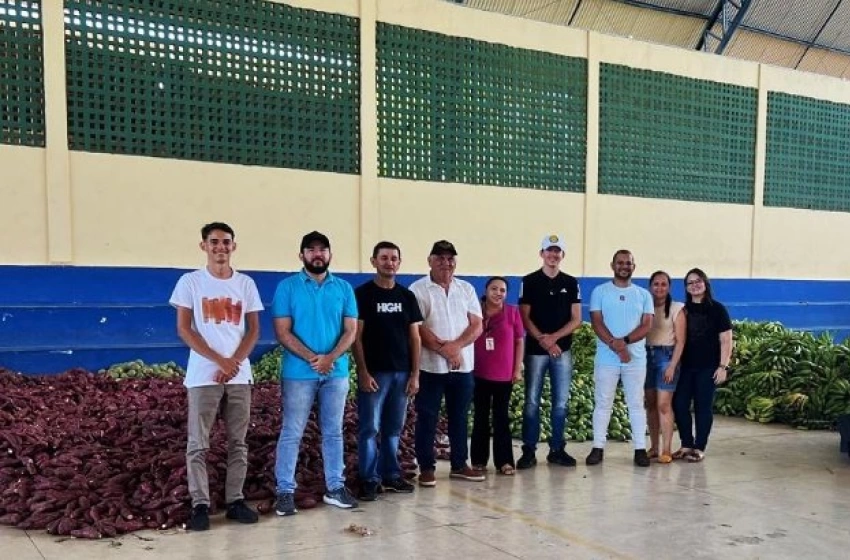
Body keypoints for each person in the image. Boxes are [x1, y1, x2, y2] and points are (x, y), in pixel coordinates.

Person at [169, 221, 264, 531]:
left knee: (238, 442)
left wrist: (233, 362)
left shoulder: (245, 284)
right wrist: (219, 361)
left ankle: (235, 500)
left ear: (233, 246)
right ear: (204, 246)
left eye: (226, 242)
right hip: (203, 375)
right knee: (198, 443)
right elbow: (184, 329)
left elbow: (254, 330)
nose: (220, 247)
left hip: (238, 376)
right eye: (214, 242)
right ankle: (200, 504)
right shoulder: (190, 282)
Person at [271, 231, 359, 515]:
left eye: (322, 249)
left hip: (336, 372)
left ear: (330, 254)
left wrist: (330, 358)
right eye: (311, 250)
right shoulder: (287, 287)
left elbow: (351, 330)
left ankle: (335, 488)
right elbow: (282, 332)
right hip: (299, 374)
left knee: (333, 432)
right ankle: (285, 492)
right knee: (292, 431)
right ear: (302, 255)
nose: (317, 254)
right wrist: (313, 359)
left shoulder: (344, 288)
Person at [410, 240, 484, 487]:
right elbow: (417, 327)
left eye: (450, 258)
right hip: (430, 367)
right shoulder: (417, 289)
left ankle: (460, 464)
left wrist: (456, 347)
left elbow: (476, 324)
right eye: (440, 258)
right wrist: (445, 350)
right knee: (427, 417)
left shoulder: (466, 289)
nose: (446, 263)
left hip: (463, 367)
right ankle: (426, 468)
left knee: (460, 417)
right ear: (430, 261)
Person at [353, 241, 423, 501]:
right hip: (375, 374)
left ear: (399, 263)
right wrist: (363, 371)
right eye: (384, 258)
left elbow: (415, 337)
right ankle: (369, 479)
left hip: (402, 374)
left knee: (394, 428)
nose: (389, 262)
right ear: (374, 261)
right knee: (369, 428)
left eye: (394, 258)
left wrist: (415, 374)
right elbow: (356, 337)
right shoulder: (362, 295)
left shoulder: (407, 296)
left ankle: (391, 475)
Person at [516, 234, 583, 469]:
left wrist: (554, 339)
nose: (553, 255)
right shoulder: (529, 281)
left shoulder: (571, 282)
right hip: (535, 352)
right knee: (531, 402)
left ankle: (557, 450)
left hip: (562, 351)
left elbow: (576, 319)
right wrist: (543, 341)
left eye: (557, 251)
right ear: (541, 253)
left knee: (561, 403)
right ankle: (529, 451)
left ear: (562, 255)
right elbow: (524, 317)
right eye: (549, 250)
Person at [586, 249, 654, 467]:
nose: (624, 266)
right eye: (620, 262)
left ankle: (640, 449)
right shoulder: (600, 291)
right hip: (606, 359)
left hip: (636, 360)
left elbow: (647, 325)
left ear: (634, 267)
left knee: (636, 403)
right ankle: (597, 447)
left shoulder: (643, 295)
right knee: (603, 403)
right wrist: (615, 346)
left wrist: (624, 342)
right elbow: (596, 322)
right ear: (612, 265)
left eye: (628, 263)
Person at [672, 268, 733, 463]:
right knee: (679, 404)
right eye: (690, 283)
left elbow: (726, 339)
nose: (694, 285)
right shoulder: (683, 310)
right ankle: (686, 444)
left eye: (698, 281)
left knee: (702, 407)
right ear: (686, 288)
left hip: (708, 367)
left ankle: (699, 447)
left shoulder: (718, 309)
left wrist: (723, 366)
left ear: (705, 283)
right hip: (685, 367)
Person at [470, 277, 524, 475]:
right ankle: (478, 461)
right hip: (478, 373)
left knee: (501, 418)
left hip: (504, 375)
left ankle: (505, 461)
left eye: (502, 290)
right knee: (480, 417)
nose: (498, 293)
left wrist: (517, 369)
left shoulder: (512, 312)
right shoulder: (475, 311)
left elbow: (519, 341)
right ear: (486, 290)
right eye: (494, 289)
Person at [644, 271, 686, 464]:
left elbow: (681, 341)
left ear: (669, 287)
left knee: (663, 404)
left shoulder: (677, 308)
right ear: (650, 286)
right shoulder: (645, 306)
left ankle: (666, 449)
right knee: (651, 404)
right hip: (646, 356)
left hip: (667, 357)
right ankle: (653, 447)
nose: (659, 288)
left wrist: (672, 365)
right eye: (656, 284)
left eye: (663, 284)